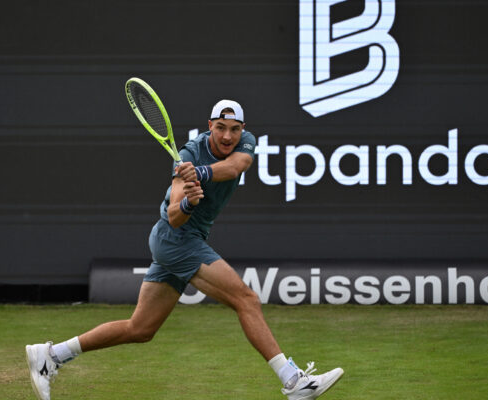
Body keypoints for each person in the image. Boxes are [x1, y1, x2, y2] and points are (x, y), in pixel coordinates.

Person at [25, 99, 343, 400]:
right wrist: (189, 200)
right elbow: (176, 219)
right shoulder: (189, 154)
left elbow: (236, 167)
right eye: (220, 127)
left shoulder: (245, 144)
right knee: (246, 299)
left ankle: (51, 355)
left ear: (243, 129)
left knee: (141, 328)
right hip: (176, 240)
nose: (228, 135)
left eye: (234, 129)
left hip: (182, 241)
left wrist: (202, 174)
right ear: (209, 126)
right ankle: (293, 381)